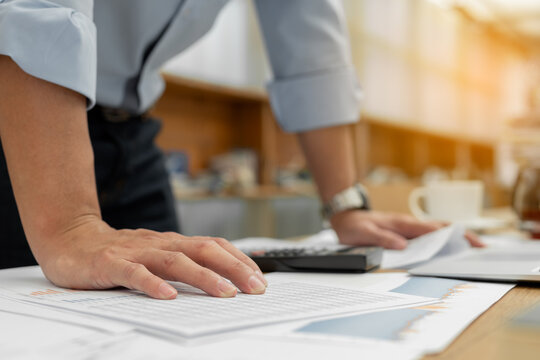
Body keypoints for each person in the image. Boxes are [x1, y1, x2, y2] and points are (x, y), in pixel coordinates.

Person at [0, 0, 482, 299]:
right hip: (26, 121)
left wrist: (346, 206)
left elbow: (310, 43)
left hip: (131, 133)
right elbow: (34, 15)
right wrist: (69, 226)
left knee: (173, 301)